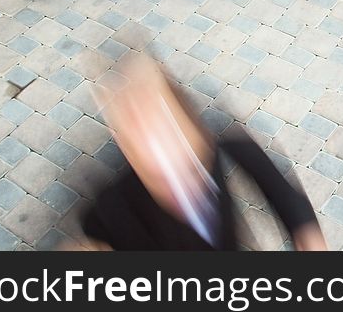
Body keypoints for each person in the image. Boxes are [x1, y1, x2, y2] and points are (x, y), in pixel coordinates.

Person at [79, 53, 328, 251]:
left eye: (157, 113)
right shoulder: (111, 210)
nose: (150, 135)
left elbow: (282, 191)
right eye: (132, 125)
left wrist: (305, 230)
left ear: (180, 109)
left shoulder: (221, 143)